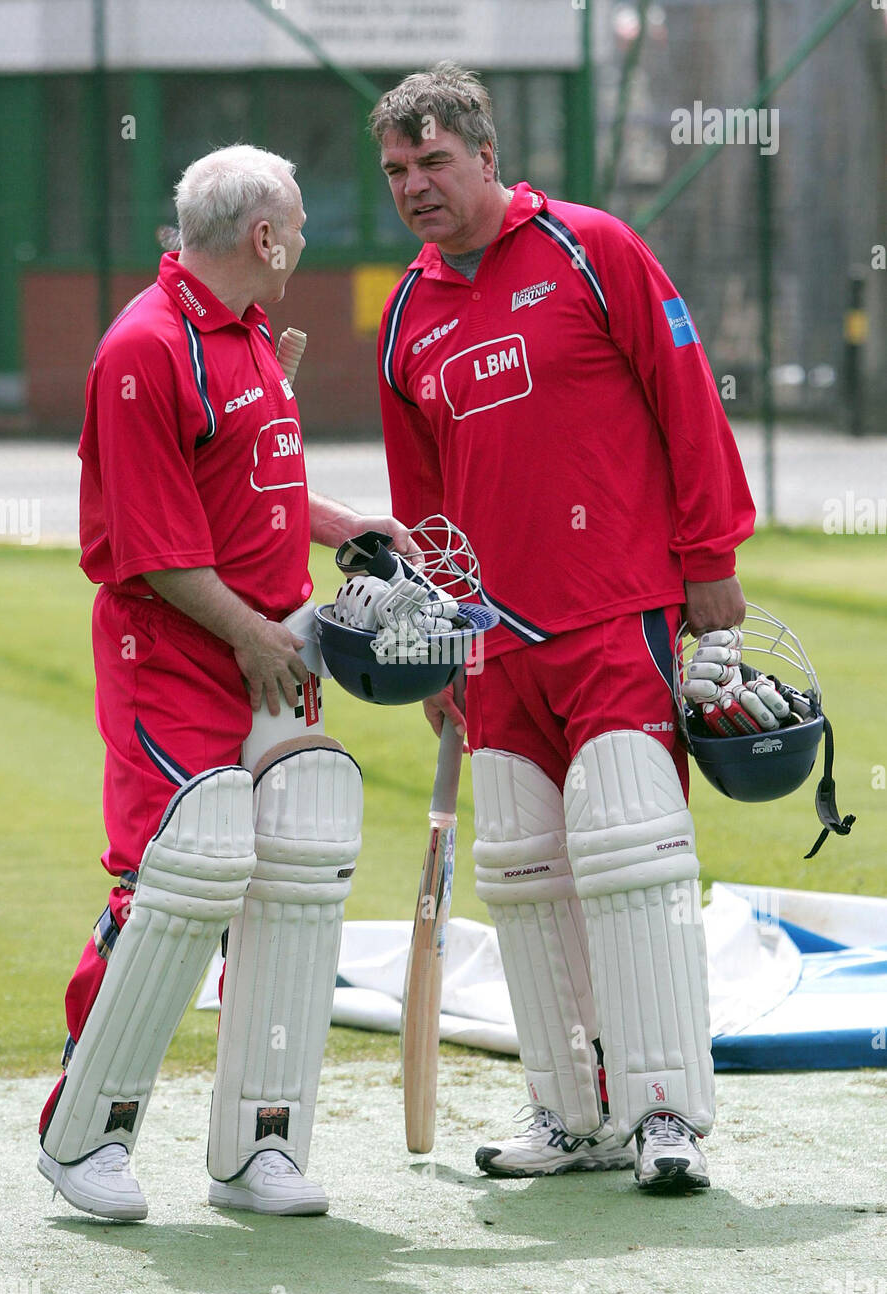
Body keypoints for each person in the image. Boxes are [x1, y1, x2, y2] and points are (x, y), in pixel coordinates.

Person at [371, 66, 756, 1191]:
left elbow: (686, 395)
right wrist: (436, 641)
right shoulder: (405, 315)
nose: (415, 188)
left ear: (485, 157)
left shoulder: (591, 247)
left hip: (611, 609)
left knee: (631, 852)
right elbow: (424, 504)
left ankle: (665, 1115)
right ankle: (569, 1110)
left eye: (433, 163)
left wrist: (710, 560)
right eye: (396, 171)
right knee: (524, 870)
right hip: (491, 640)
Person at [38, 144, 416, 1221]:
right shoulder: (143, 350)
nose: (301, 237)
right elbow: (156, 548)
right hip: (174, 657)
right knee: (174, 881)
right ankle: (86, 1134)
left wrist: (349, 527)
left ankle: (260, 1144)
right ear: (263, 236)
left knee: (291, 885)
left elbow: (252, 485)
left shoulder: (248, 337)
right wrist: (256, 637)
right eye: (294, 221)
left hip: (267, 643)